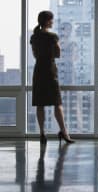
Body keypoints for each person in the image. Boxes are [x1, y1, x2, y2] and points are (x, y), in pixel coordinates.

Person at [30, 10, 74, 144]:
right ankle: (64, 132)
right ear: (47, 21)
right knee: (57, 103)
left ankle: (42, 133)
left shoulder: (34, 37)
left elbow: (35, 54)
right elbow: (58, 53)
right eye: (51, 19)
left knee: (40, 104)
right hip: (49, 70)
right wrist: (51, 53)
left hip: (38, 71)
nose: (53, 22)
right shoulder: (53, 37)